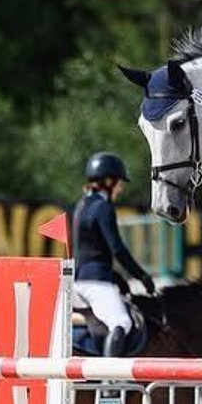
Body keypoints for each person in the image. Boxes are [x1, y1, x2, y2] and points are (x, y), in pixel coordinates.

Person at [73, 151, 156, 357]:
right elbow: (116, 248)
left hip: (83, 278)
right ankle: (110, 385)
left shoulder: (82, 205)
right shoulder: (103, 207)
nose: (121, 188)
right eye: (119, 182)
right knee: (122, 322)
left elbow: (95, 250)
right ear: (108, 181)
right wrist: (142, 276)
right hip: (96, 282)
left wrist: (118, 279)